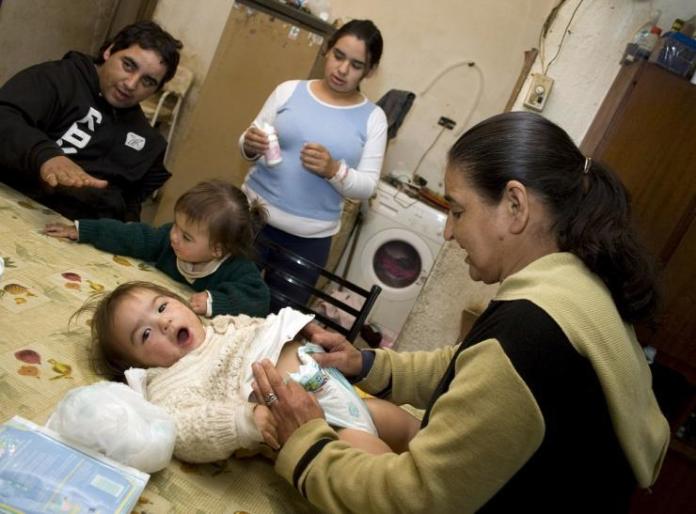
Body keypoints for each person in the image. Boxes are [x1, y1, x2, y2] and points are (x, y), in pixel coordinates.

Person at [250, 111, 671, 513]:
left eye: (458, 210)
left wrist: (304, 442)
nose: (449, 232)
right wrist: (365, 364)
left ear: (515, 205)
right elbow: (469, 367)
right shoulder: (575, 288)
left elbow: (413, 500)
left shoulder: (531, 333)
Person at [76, 280, 420, 463]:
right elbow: (183, 430)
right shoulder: (169, 382)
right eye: (145, 334)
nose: (164, 322)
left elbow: (267, 327)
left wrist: (306, 333)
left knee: (412, 430)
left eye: (163, 307)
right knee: (378, 466)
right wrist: (241, 421)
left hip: (341, 391)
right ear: (138, 364)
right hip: (324, 427)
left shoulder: (222, 325)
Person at [239, 19, 387, 308]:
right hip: (252, 220)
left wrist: (334, 170)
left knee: (277, 325)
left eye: (356, 65)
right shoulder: (289, 90)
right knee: (225, 302)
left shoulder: (373, 118)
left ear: (369, 71)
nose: (342, 69)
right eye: (338, 56)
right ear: (327, 50)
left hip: (308, 242)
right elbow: (249, 137)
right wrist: (248, 144)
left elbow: (367, 186)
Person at [0, 21, 182, 221]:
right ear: (109, 51)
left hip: (75, 236)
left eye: (147, 81)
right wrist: (46, 156)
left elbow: (129, 210)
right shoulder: (57, 79)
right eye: (128, 65)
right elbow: (5, 117)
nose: (131, 84)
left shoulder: (148, 143)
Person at [44, 180, 270, 318]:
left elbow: (259, 301)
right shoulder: (167, 239)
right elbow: (131, 236)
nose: (173, 236)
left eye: (186, 236)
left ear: (218, 250)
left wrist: (215, 302)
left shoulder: (238, 268)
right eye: (175, 225)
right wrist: (84, 230)